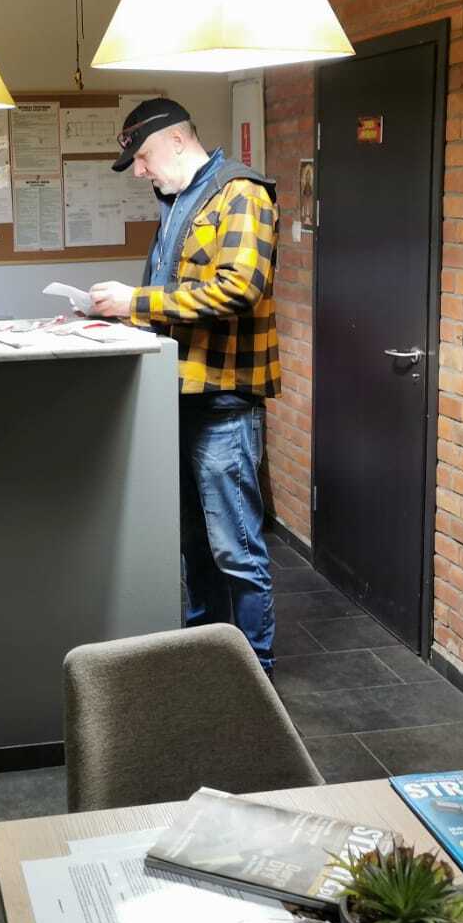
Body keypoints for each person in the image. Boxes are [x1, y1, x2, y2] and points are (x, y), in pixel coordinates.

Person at [88, 98, 281, 674]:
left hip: (223, 402)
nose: (140, 171)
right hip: (180, 396)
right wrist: (120, 315)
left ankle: (257, 674)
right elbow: (176, 296)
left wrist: (136, 302)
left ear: (176, 140)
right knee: (194, 545)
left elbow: (239, 288)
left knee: (236, 550)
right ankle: (205, 663)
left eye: (143, 157)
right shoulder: (180, 200)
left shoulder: (240, 193)